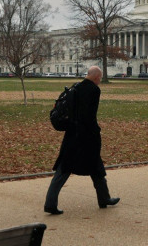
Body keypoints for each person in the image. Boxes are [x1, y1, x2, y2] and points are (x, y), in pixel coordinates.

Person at [44, 65, 119, 214]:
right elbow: (90, 115)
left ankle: (51, 203)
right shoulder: (94, 90)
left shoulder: (75, 87)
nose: (100, 81)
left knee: (66, 169)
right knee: (94, 166)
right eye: (100, 78)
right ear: (96, 77)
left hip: (72, 133)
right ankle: (103, 198)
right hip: (86, 136)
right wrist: (95, 132)